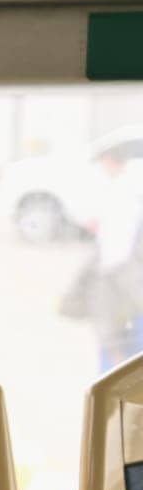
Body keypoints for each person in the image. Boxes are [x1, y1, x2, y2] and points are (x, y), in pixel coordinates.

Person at [86, 146, 143, 371]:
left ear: (111, 161)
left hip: (125, 289)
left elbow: (114, 254)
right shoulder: (127, 190)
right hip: (129, 287)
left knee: (118, 362)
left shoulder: (123, 193)